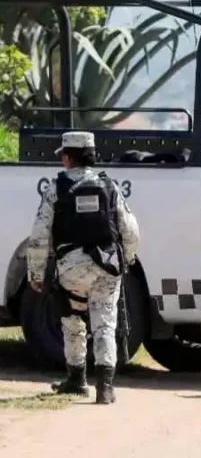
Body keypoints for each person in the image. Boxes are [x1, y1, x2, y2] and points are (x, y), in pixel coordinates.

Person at [26, 131, 140, 404]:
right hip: (107, 266)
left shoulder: (57, 188)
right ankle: (106, 388)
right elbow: (131, 231)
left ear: (68, 157)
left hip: (71, 269)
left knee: (73, 322)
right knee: (105, 324)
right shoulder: (109, 185)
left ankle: (77, 379)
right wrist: (127, 258)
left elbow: (39, 235)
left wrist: (36, 273)